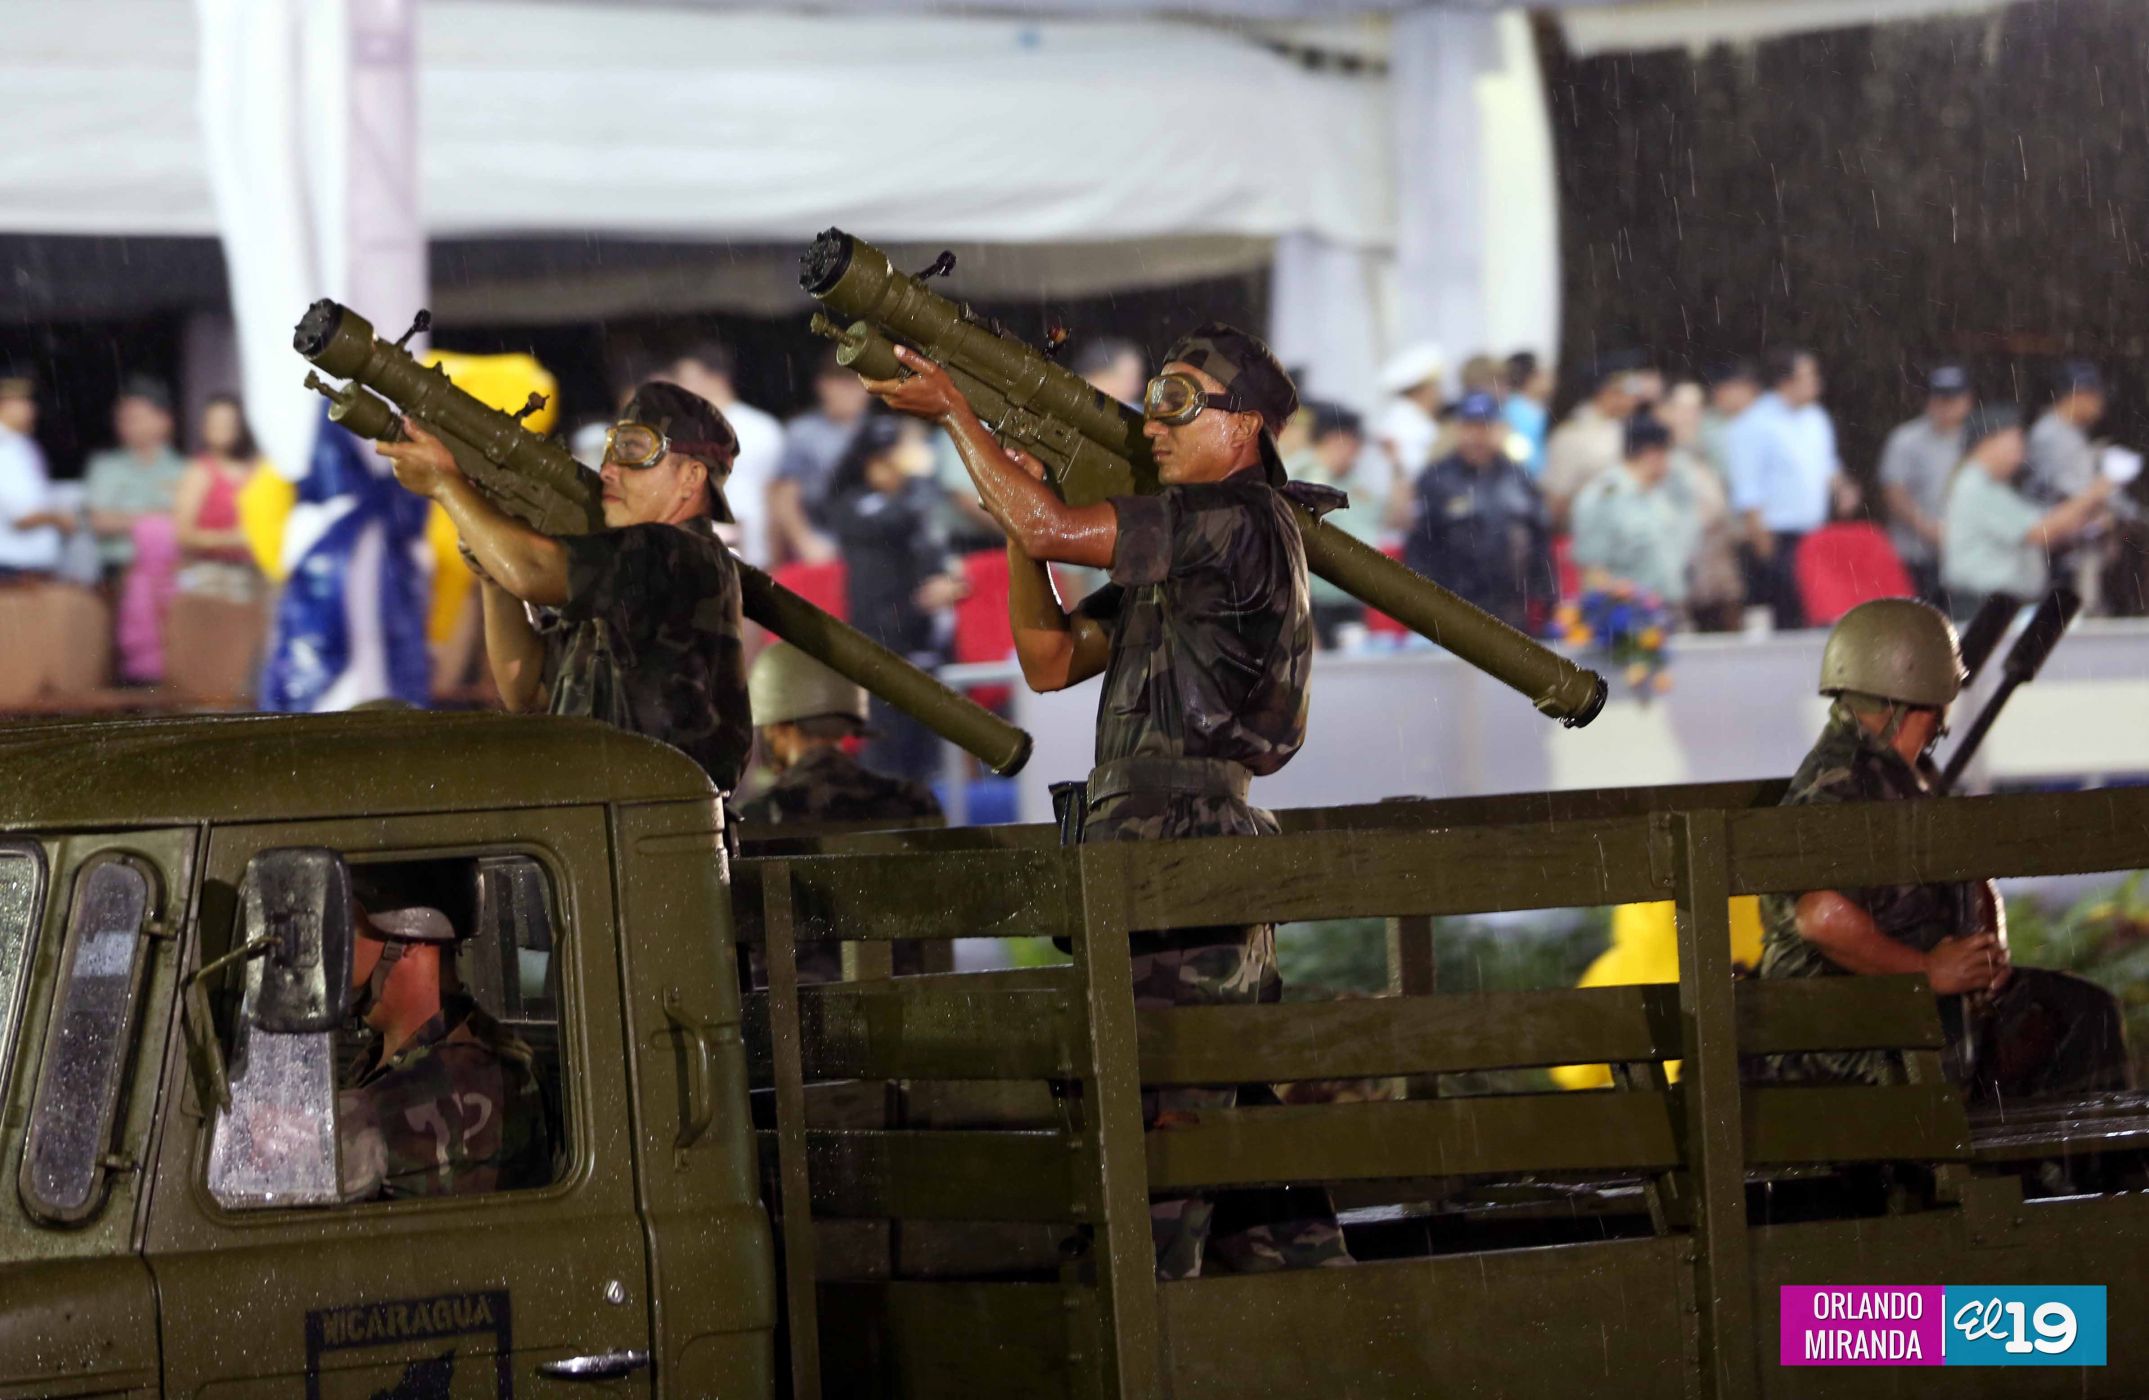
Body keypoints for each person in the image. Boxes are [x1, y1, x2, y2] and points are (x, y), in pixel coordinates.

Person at [860, 321, 1350, 1280]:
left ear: (1244, 425)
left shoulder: (1236, 517)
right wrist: (1018, 517)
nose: (1153, 427)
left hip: (1180, 869)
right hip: (1170, 867)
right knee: (1217, 1144)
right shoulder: (1194, 552)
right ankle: (1317, 1316)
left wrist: (959, 414)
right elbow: (1049, 659)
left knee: (1152, 1150)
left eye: (1179, 404)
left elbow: (1052, 528)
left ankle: (1153, 1322)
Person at [1754, 599, 2127, 1101]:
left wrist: (1983, 953)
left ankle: (2054, 1151)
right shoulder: (1846, 780)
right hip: (1845, 1035)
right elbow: (1820, 916)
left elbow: (1968, 873)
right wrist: (1929, 971)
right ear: (1929, 695)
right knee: (2079, 1024)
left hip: (1891, 1017)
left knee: (2075, 1013)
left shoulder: (1899, 773)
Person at [376, 381, 753, 792]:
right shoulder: (623, 574)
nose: (608, 470)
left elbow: (532, 571)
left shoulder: (679, 553)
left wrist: (447, 486)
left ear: (691, 477)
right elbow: (526, 689)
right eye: (611, 450)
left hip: (654, 813)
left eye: (634, 451)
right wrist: (490, 571)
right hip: (605, 810)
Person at [338, 893, 551, 1200]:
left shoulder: (473, 1073)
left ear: (407, 940)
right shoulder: (387, 1055)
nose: (333, 949)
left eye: (348, 930)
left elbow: (306, 1155)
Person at [823, 414, 969, 785]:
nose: (896, 468)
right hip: (882, 645)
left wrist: (949, 584)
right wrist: (918, 478)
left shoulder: (921, 509)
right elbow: (894, 520)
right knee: (887, 756)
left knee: (933, 760)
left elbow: (942, 559)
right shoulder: (855, 506)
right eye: (889, 459)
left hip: (928, 644)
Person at [1941, 404, 2114, 621]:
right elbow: (2039, 532)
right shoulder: (1975, 485)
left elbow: (2043, 530)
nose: (2020, 453)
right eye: (2015, 443)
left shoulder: (1994, 487)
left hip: (2001, 602)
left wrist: (2086, 522)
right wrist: (2093, 493)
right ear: (1989, 442)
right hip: (1981, 603)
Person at [1394, 391, 1548, 632]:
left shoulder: (1518, 478)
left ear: (1498, 430)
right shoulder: (1437, 479)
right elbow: (1419, 548)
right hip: (1455, 611)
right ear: (1458, 430)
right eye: (1470, 427)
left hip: (1513, 611)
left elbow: (1539, 541)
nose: (1477, 436)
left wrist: (1547, 602)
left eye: (1484, 427)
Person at [1725, 348, 1848, 629]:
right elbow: (1747, 489)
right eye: (1808, 376)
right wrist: (1762, 543)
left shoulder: (1816, 417)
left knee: (1818, 613)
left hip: (1815, 534)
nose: (1816, 382)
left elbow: (1827, 465)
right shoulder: (1753, 423)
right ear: (1786, 382)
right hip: (1776, 536)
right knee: (1786, 617)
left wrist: (1842, 488)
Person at [670, 341, 784, 568]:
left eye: (687, 379)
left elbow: (777, 495)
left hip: (757, 555)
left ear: (716, 378)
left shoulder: (761, 428)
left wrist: (777, 556)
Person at [1570, 413, 1696, 611]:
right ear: (1651, 454)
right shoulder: (1602, 498)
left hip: (1668, 610)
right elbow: (1593, 570)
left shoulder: (1660, 493)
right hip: (1627, 616)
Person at [1879, 364, 1974, 602]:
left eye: (1952, 398)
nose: (1945, 405)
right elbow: (1893, 492)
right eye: (1940, 398)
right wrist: (1928, 528)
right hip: (1916, 553)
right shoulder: (1906, 439)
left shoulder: (1977, 439)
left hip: (1964, 554)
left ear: (1967, 401)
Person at [768, 348, 872, 567]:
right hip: (822, 545)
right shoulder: (802, 433)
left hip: (871, 545)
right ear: (823, 385)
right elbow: (783, 495)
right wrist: (805, 541)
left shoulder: (883, 430)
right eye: (843, 384)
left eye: (857, 385)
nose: (851, 393)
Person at [82, 376, 187, 582]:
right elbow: (99, 521)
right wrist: (162, 518)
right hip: (118, 571)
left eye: (136, 418)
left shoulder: (185, 470)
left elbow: (191, 523)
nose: (127, 426)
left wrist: (128, 519)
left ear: (164, 420)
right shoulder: (106, 467)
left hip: (172, 572)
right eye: (122, 419)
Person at [1286, 402, 1373, 647]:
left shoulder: (1353, 481)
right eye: (1355, 444)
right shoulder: (1298, 479)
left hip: (1349, 600)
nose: (1357, 453)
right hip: (1311, 603)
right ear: (1336, 440)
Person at [172, 393, 266, 603]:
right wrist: (234, 539)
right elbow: (183, 535)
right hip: (212, 574)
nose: (220, 428)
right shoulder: (199, 472)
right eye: (214, 422)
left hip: (256, 573)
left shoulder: (258, 469)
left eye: (227, 422)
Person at [1542, 355, 1643, 530]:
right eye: (1628, 392)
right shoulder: (1572, 435)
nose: (1634, 400)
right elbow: (1556, 500)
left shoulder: (1621, 427)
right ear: (1606, 393)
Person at [0, 370, 70, 581]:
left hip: (26, 565)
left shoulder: (21, 443)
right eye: (21, 402)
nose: (31, 408)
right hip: (13, 566)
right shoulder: (5, 448)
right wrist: (61, 518)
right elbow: (22, 517)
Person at [1371, 342, 1446, 486]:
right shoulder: (1407, 428)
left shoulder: (1412, 420)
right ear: (1422, 392)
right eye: (1436, 387)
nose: (1440, 394)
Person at [1503, 351, 1554, 478]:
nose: (1550, 378)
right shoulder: (1515, 411)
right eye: (1543, 373)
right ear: (1531, 378)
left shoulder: (1538, 407)